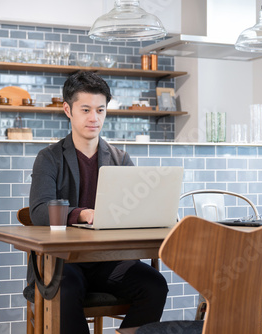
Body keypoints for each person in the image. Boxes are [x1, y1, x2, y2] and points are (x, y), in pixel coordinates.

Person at [27, 71, 168, 333]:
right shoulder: (49, 158)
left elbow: (134, 212)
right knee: (65, 289)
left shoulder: (120, 158)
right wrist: (82, 214)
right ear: (68, 110)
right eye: (86, 109)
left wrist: (158, 215)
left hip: (110, 262)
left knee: (155, 285)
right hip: (64, 262)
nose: (94, 118)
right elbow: (38, 211)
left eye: (100, 110)